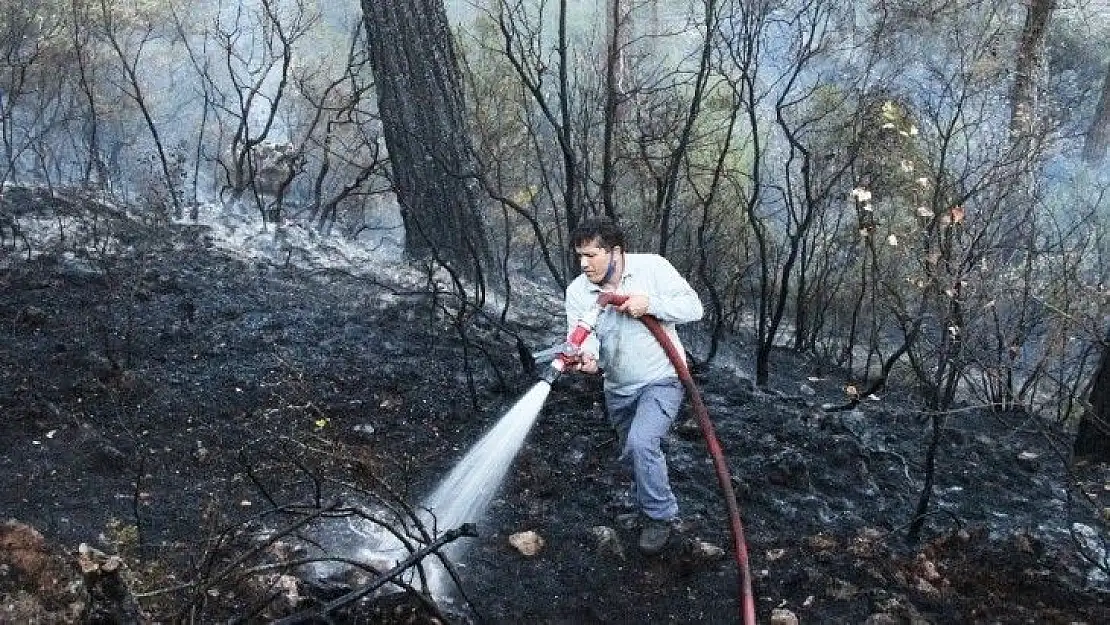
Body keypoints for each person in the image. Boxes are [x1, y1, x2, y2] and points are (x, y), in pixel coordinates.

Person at [563, 218, 704, 555]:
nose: (584, 264)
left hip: (663, 378)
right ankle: (647, 506)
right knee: (634, 452)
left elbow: (694, 308)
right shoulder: (578, 291)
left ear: (616, 252)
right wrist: (587, 359)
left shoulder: (653, 268)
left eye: (591, 255)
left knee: (641, 445)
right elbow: (584, 337)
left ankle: (660, 517)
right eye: (579, 256)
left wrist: (649, 304)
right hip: (618, 387)